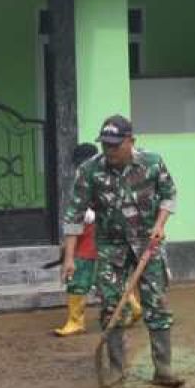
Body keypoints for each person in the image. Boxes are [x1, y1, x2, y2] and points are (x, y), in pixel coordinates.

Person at [62, 115, 182, 388]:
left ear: (131, 141)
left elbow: (169, 194)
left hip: (147, 244)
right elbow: (74, 215)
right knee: (111, 307)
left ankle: (163, 369)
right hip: (111, 246)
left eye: (116, 145)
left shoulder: (152, 163)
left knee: (157, 305)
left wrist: (160, 225)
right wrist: (69, 258)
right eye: (105, 145)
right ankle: (116, 368)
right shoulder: (90, 170)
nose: (110, 151)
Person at [54, 144, 142, 337]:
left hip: (97, 239)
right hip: (94, 238)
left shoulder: (102, 176)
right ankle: (131, 308)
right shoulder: (89, 176)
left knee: (88, 279)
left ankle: (77, 321)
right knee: (102, 279)